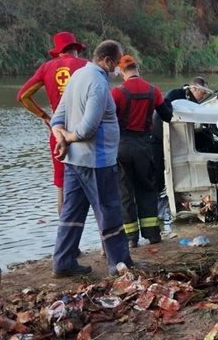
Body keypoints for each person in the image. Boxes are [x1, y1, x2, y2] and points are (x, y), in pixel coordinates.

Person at [50, 40, 134, 277]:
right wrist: (67, 135)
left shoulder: (77, 76)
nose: (119, 69)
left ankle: (63, 262)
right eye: (117, 63)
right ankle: (119, 264)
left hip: (73, 162)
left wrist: (62, 138)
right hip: (96, 162)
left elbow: (57, 118)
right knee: (109, 212)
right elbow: (88, 128)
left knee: (71, 214)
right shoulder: (97, 83)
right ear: (107, 61)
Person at [17, 31, 88, 215]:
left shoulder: (46, 68)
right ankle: (104, 242)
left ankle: (66, 241)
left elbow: (23, 96)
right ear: (74, 50)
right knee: (95, 188)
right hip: (84, 132)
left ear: (58, 52)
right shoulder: (85, 65)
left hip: (58, 134)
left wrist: (45, 117)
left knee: (62, 190)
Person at [112, 55, 173, 248]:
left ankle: (131, 238)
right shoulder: (153, 90)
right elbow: (167, 116)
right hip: (144, 147)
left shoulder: (117, 92)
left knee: (125, 193)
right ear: (138, 69)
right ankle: (153, 234)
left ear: (122, 72)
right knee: (147, 189)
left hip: (121, 146)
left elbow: (108, 119)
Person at [151, 76, 209, 194]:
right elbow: (161, 115)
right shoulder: (175, 95)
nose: (203, 96)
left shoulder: (187, 98)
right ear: (195, 89)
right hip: (158, 136)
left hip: (170, 136)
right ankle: (157, 194)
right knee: (158, 169)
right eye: (203, 93)